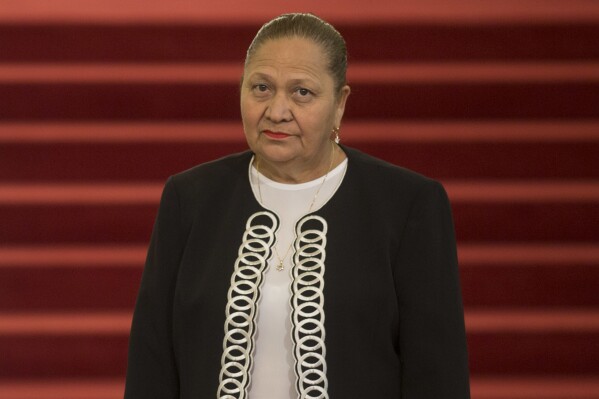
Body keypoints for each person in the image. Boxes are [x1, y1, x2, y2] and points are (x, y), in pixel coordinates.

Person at [124, 12, 470, 399]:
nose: (276, 111)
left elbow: (438, 377)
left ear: (340, 103)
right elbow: (151, 364)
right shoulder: (189, 199)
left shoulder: (408, 206)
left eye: (302, 92)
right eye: (261, 88)